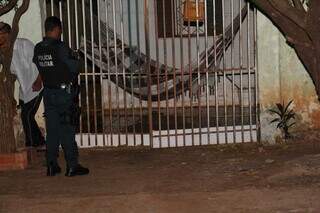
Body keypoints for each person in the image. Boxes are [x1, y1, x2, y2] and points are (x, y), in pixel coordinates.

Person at [33, 16, 89, 177]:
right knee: (67, 129)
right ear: (57, 29)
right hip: (64, 94)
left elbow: (41, 68)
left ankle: (51, 165)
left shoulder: (38, 48)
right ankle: (72, 166)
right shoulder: (61, 47)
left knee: (52, 130)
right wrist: (77, 57)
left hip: (48, 93)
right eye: (60, 30)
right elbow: (75, 66)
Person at [0, 22, 45, 148]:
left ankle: (31, 144)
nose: (1, 40)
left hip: (37, 84)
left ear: (8, 35)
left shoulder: (24, 44)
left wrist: (39, 80)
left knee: (27, 114)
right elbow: (11, 74)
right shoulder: (4, 54)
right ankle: (40, 142)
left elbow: (41, 62)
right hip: (24, 89)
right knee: (27, 115)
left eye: (2, 36)